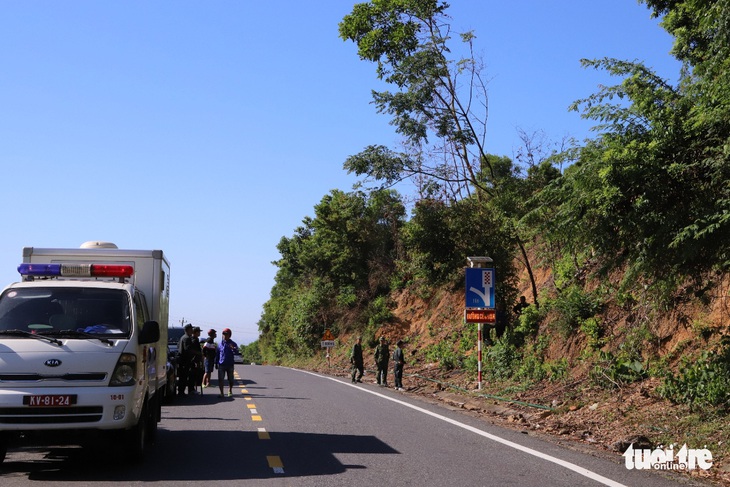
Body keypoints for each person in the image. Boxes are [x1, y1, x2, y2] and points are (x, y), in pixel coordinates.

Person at [216, 328, 238, 398]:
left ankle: (230, 390)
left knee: (230, 379)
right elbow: (217, 354)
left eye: (226, 334)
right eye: (223, 334)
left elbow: (236, 352)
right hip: (221, 364)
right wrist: (216, 363)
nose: (224, 336)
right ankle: (221, 393)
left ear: (230, 335)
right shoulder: (220, 344)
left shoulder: (233, 343)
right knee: (220, 379)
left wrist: (233, 348)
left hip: (230, 364)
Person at [176, 323, 194, 396]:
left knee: (183, 377)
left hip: (183, 360)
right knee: (183, 377)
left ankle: (181, 391)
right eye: (191, 329)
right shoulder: (186, 338)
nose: (192, 330)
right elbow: (187, 350)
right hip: (185, 360)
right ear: (188, 330)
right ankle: (181, 392)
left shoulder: (182, 337)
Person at [189, 326, 204, 394]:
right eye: (198, 332)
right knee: (193, 375)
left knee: (193, 375)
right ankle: (191, 389)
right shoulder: (194, 340)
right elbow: (194, 351)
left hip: (194, 360)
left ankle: (192, 389)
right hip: (194, 360)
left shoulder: (193, 339)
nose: (199, 333)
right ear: (195, 332)